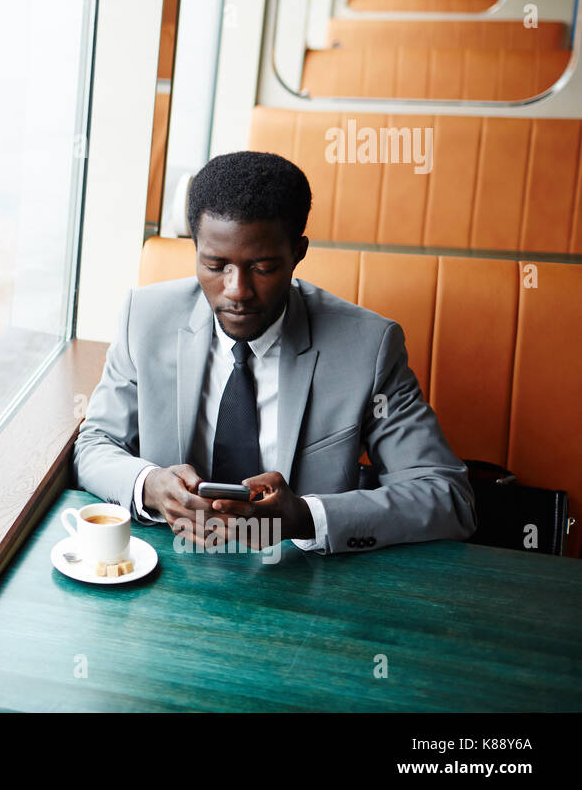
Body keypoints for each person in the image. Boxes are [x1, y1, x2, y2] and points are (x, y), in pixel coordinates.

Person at [73, 151, 476, 553]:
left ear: (297, 253)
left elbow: (447, 497)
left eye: (262, 268)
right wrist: (149, 486)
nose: (236, 291)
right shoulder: (145, 318)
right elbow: (95, 442)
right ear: (195, 249)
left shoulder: (369, 347)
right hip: (168, 561)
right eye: (215, 265)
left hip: (301, 576)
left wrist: (304, 517)